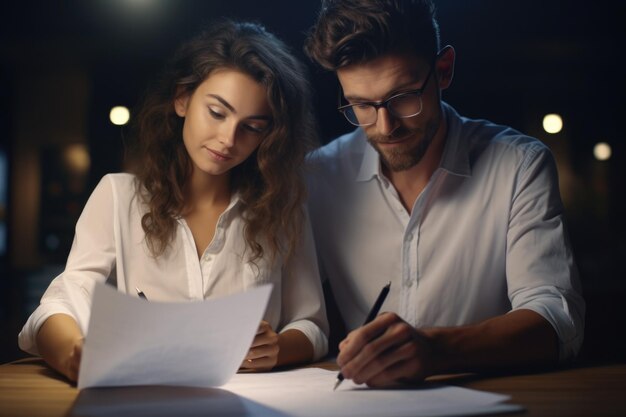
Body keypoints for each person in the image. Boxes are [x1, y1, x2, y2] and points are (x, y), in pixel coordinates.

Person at [18, 19, 328, 382]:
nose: (229, 139)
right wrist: (76, 355)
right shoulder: (119, 197)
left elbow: (312, 325)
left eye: (253, 127)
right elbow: (58, 304)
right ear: (182, 99)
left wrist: (277, 347)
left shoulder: (283, 206)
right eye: (217, 112)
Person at [304, 0, 584, 387]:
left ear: (444, 70)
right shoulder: (318, 177)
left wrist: (436, 350)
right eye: (362, 105)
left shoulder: (519, 165)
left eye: (402, 97)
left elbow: (558, 319)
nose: (385, 126)